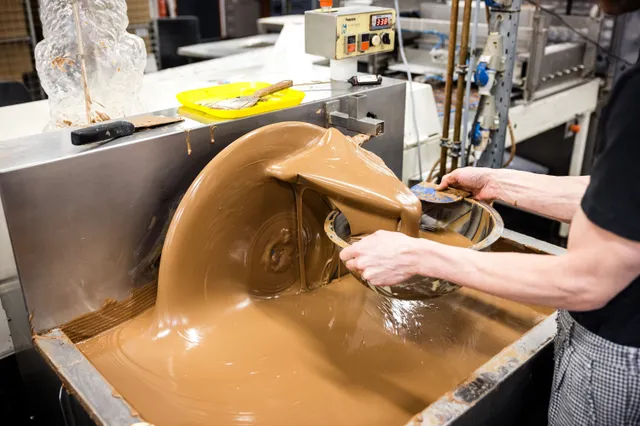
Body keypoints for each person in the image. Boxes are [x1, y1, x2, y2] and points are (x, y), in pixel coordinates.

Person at [340, 4, 640, 425]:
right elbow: (617, 199)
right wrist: (502, 184)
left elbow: (588, 281)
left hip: (622, 351)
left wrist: (418, 256)